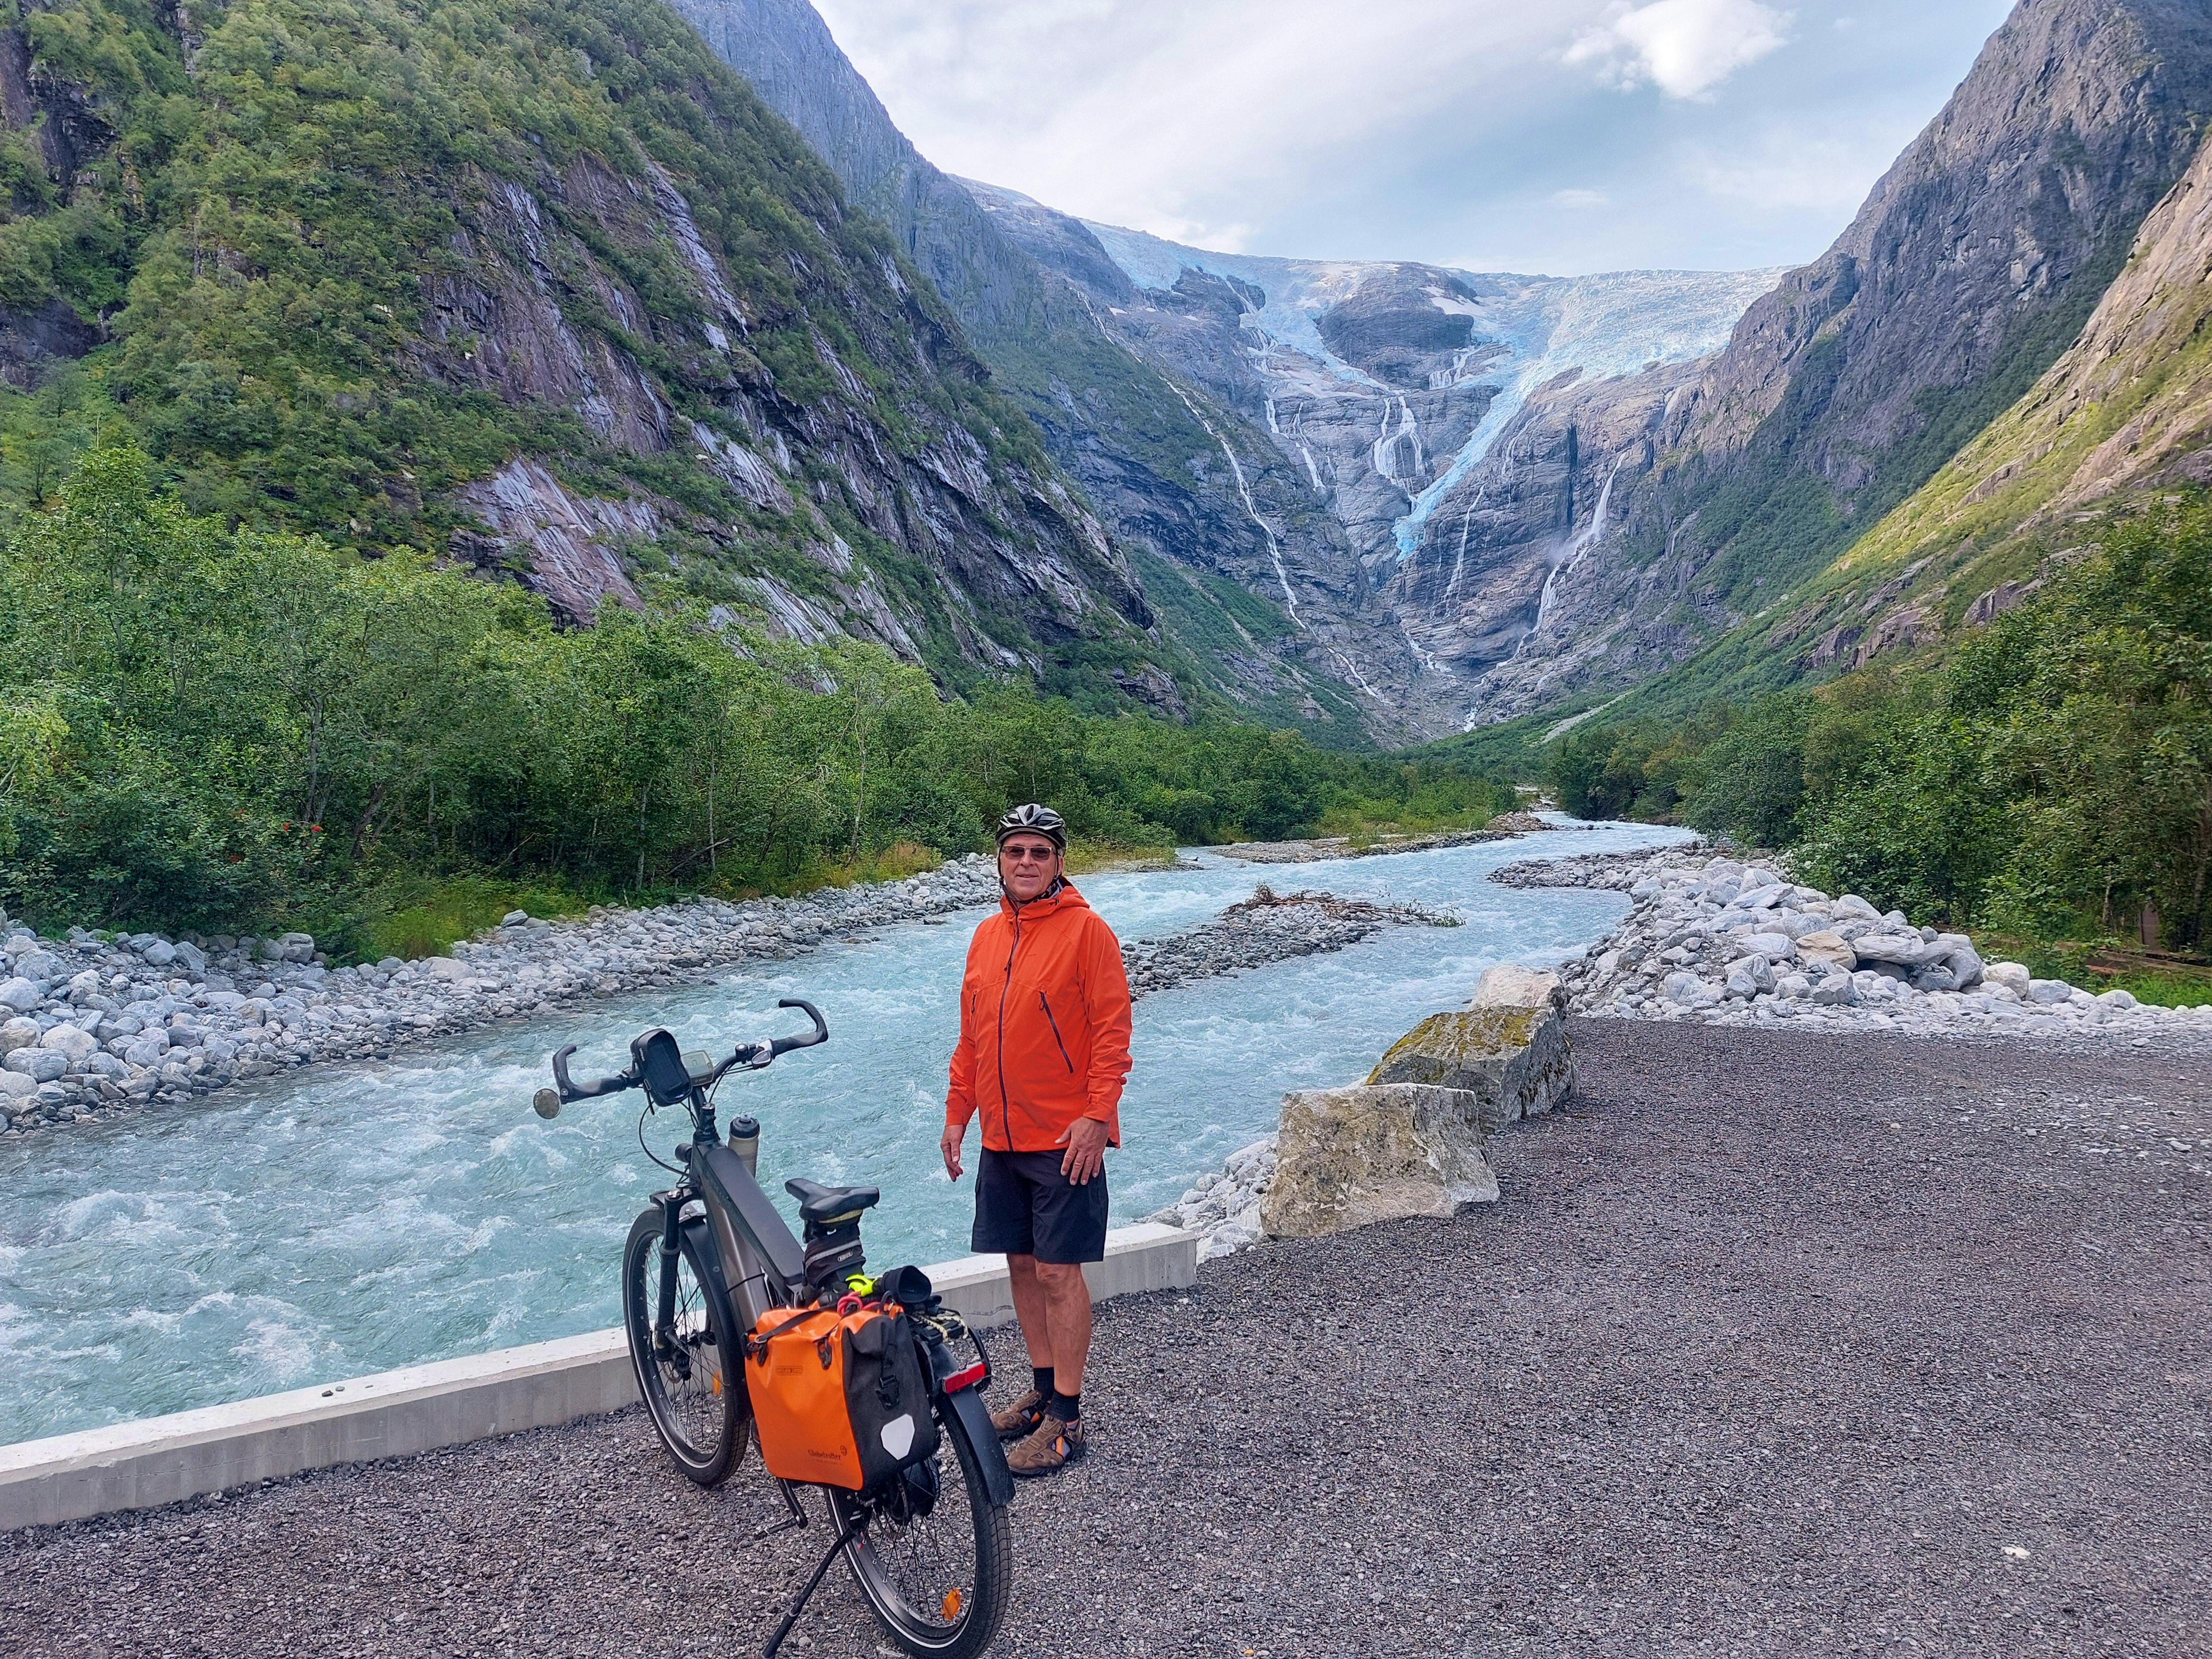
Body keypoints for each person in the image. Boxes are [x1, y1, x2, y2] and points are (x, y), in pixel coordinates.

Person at [940, 803, 1133, 1477]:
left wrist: (1097, 1115)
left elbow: (1112, 1032)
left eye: (1040, 852)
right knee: (1022, 1266)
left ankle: (1067, 1419)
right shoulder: (986, 936)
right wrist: (958, 1113)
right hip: (1002, 1135)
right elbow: (972, 1038)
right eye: (1015, 850)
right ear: (1000, 860)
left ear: (1059, 863)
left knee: (1058, 1272)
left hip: (1065, 1135)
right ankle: (1043, 1393)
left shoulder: (1089, 932)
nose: (1026, 862)